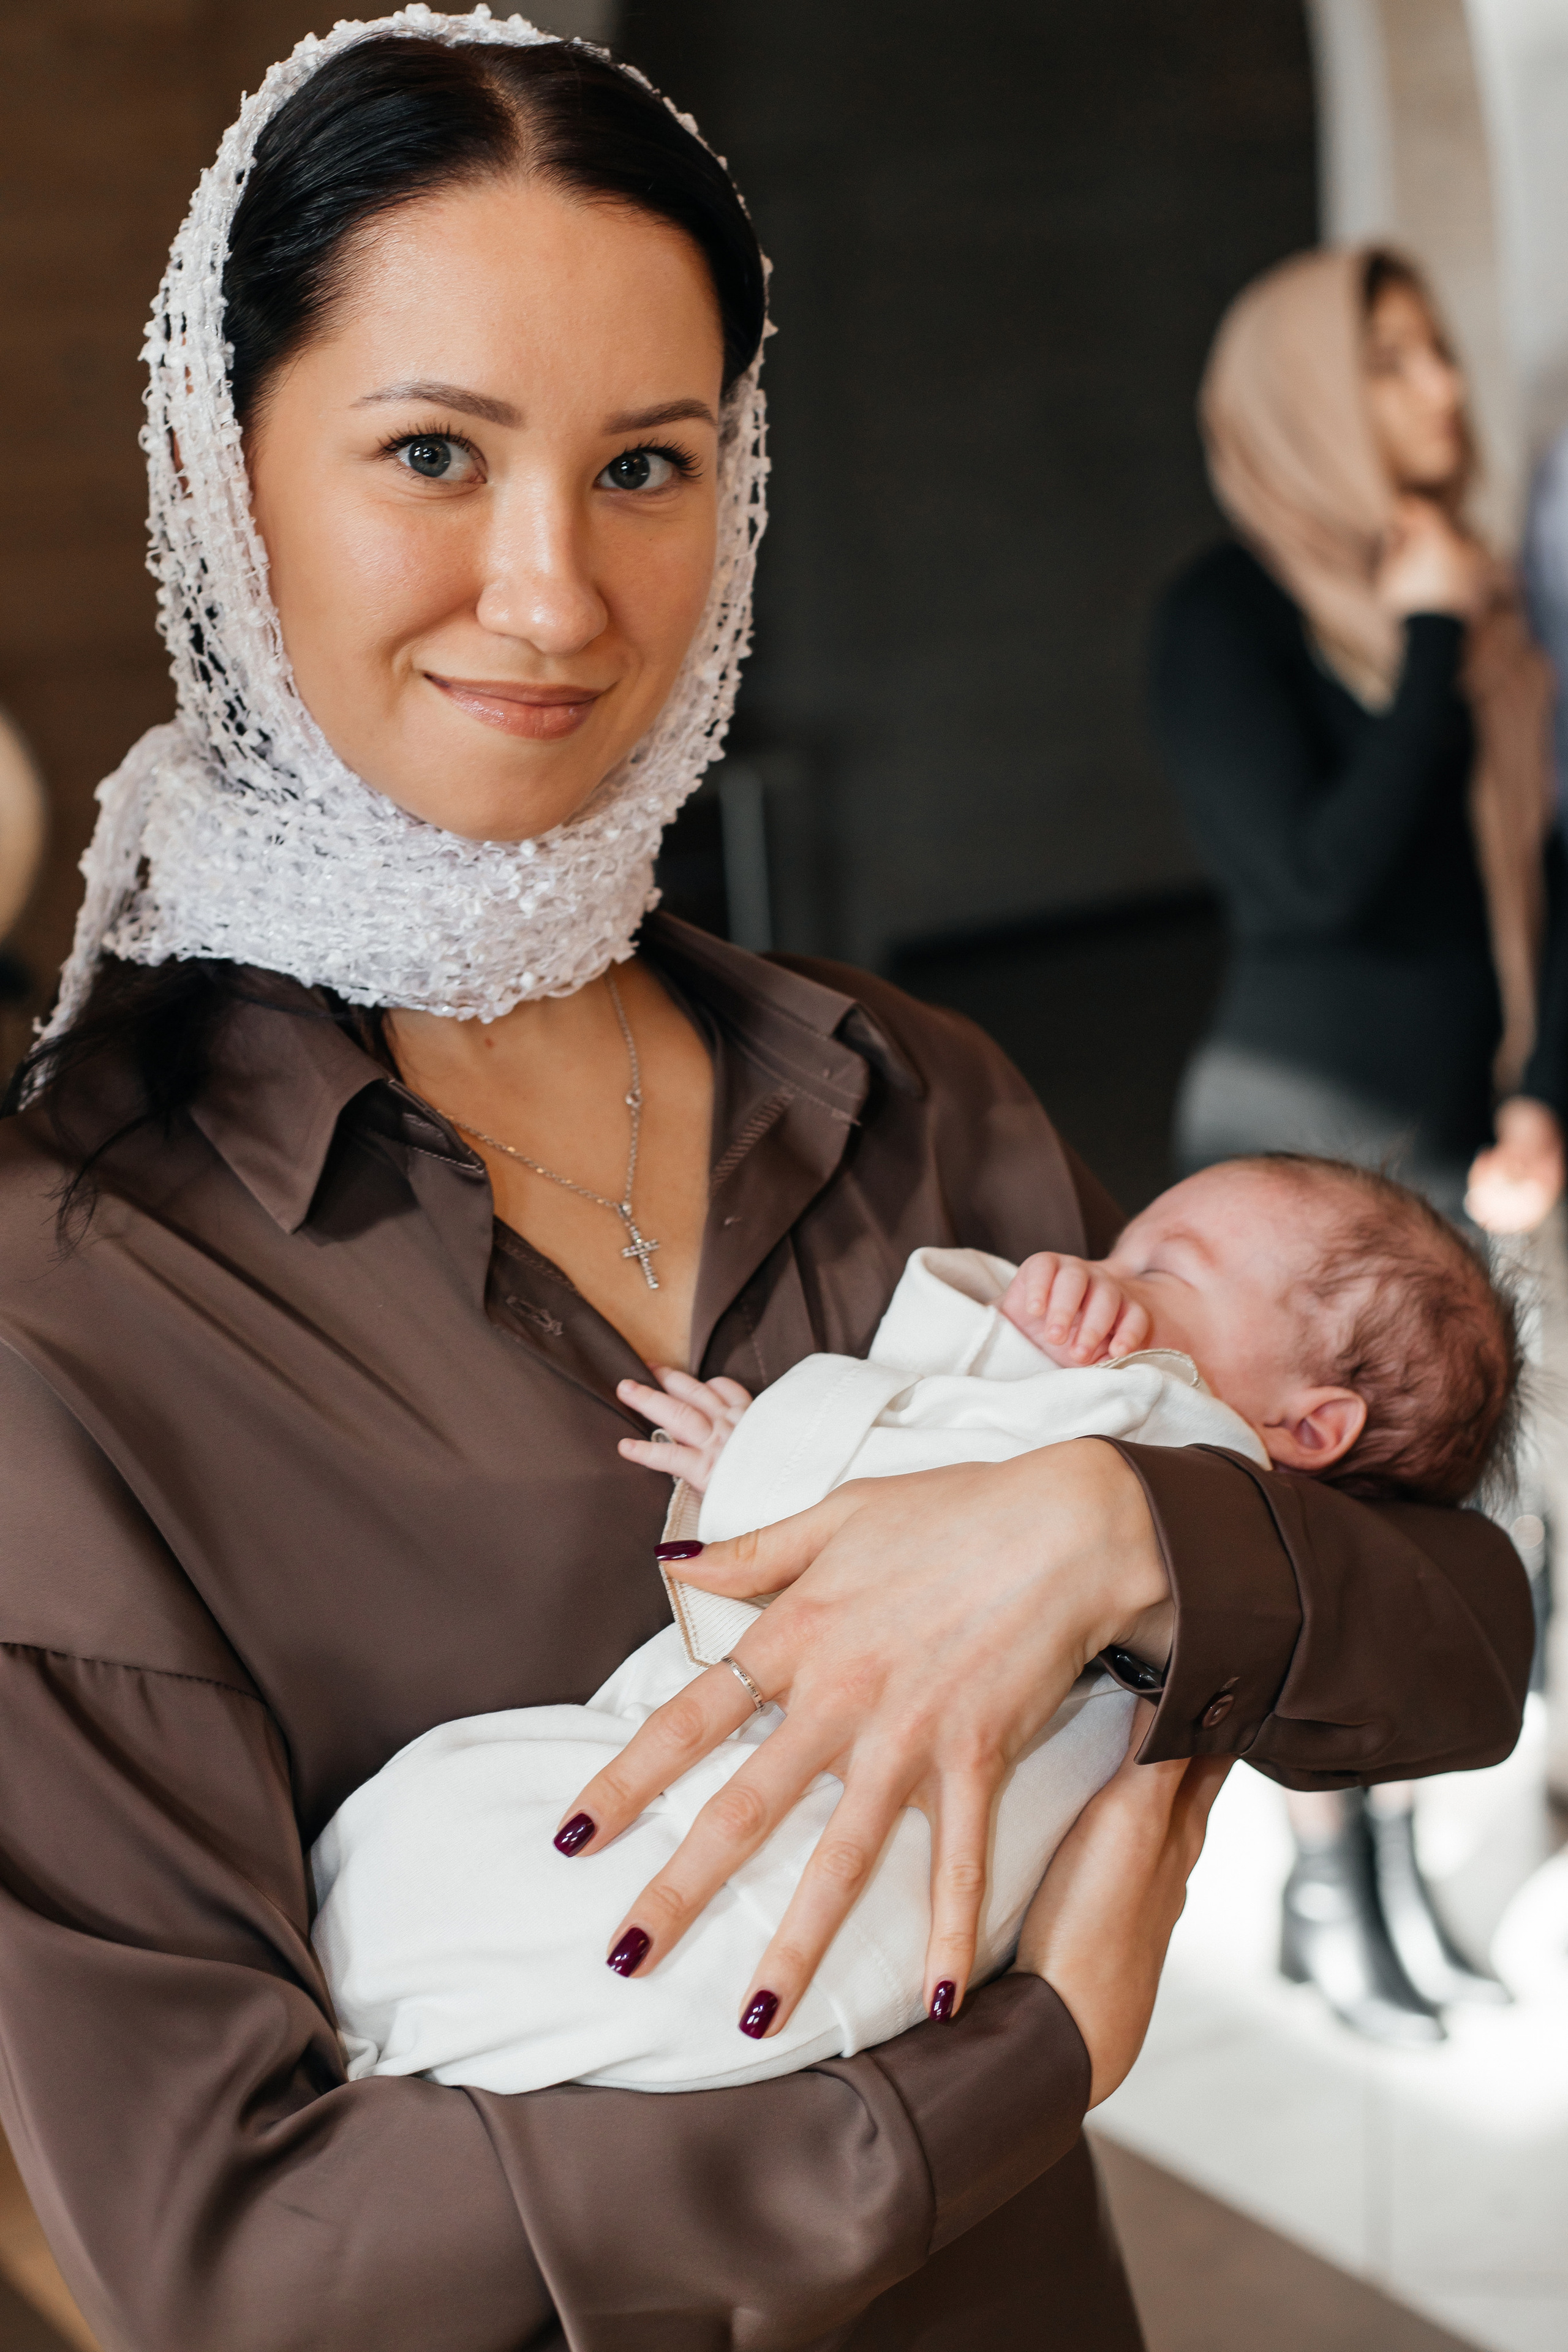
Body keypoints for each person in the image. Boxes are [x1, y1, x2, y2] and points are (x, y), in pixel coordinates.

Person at [0, 21, 1531, 2350]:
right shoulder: (76, 1290)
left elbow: (1456, 1641)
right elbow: (224, 2250)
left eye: (647, 464)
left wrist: (1106, 1535)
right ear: (230, 481)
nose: (554, 593)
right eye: (434, 449)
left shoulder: (902, 1089)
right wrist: (1023, 2065)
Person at [314, 1153, 1518, 2099]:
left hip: (815, 1857)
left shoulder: (1170, 1425)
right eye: (1113, 1250)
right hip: (862, 1944)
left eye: (1161, 1273)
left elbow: (922, 1494)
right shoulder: (1166, 1470)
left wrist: (759, 1452)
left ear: (1307, 1433)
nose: (1082, 1271)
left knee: (438, 1855)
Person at [1151, 244, 1555, 2043]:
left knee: (1440, 1535)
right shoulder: (1225, 613)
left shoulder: (1480, 613)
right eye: (1393, 365)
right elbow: (1313, 880)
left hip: (1462, 1139)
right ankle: (1331, 1895)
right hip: (1302, 1150)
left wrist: (1543, 1088)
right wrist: (1415, 646)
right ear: (1308, 393)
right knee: (1313, 1552)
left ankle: (1382, 1887)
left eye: (1437, 358)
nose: (1442, 398)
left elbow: (1533, 882)